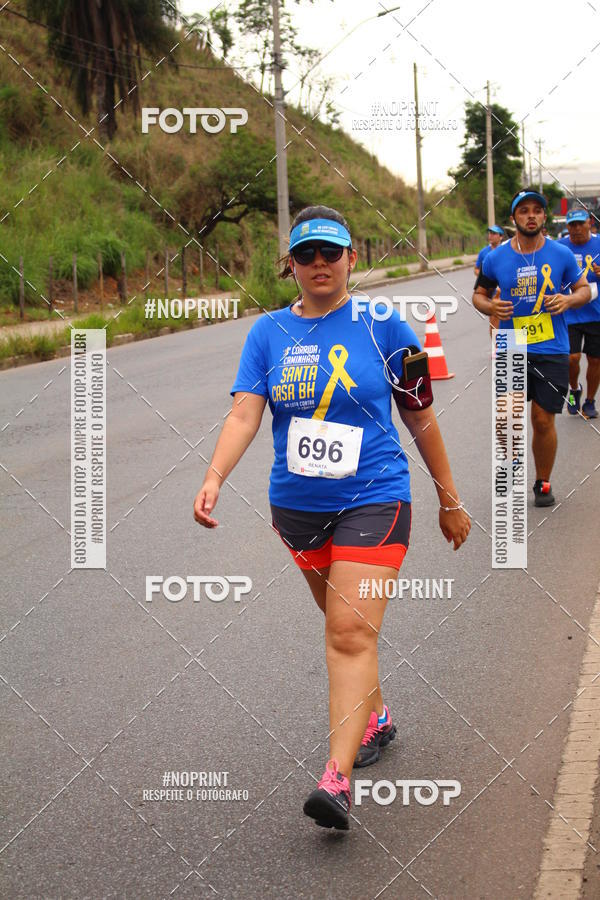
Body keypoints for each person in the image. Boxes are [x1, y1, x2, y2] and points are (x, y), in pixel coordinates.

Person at [193, 205, 471, 831]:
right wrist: (214, 476)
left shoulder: (384, 325)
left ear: (352, 258)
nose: (319, 264)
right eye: (306, 254)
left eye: (331, 252)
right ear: (288, 263)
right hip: (296, 508)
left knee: (347, 632)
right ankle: (375, 717)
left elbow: (419, 415)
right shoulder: (267, 333)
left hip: (376, 495)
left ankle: (336, 780)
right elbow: (245, 413)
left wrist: (448, 498)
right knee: (348, 626)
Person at [473, 190, 591, 507]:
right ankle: (511, 463)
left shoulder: (561, 254)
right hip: (512, 344)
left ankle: (542, 482)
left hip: (552, 347)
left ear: (543, 217)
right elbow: (479, 295)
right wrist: (491, 307)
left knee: (542, 419)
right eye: (524, 211)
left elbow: (583, 290)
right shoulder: (495, 258)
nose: (531, 216)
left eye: (537, 211)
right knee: (508, 416)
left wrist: (568, 299)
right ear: (514, 219)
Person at [559, 209, 600, 419]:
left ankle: (590, 401)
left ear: (589, 223)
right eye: (571, 225)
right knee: (571, 358)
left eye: (579, 224)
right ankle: (574, 390)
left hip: (596, 314)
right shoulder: (561, 247)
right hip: (570, 313)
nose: (575, 229)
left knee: (595, 360)